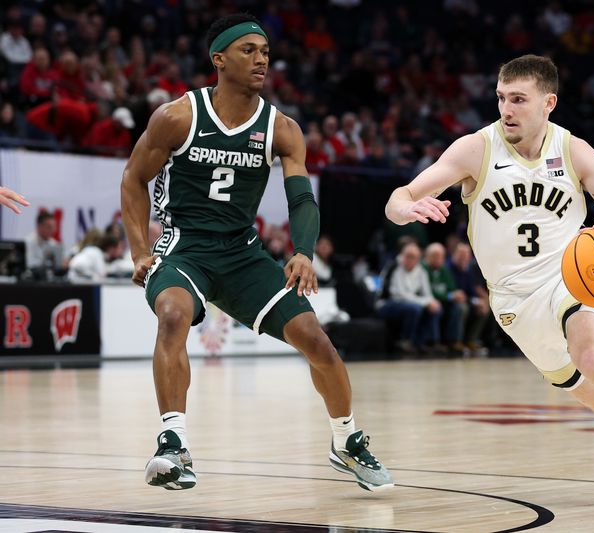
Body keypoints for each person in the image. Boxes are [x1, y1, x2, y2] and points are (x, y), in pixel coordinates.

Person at [385, 54, 594, 519]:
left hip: (572, 279)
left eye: (518, 99)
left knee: (591, 356)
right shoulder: (475, 150)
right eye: (501, 98)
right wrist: (408, 209)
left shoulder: (575, 151)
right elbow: (398, 198)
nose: (507, 108)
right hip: (513, 305)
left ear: (549, 103)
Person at [120, 14, 391, 493]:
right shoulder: (177, 117)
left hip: (243, 252)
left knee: (318, 342)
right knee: (171, 315)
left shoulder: (281, 128)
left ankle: (346, 441)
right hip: (185, 247)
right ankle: (172, 443)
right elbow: (133, 179)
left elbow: (302, 198)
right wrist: (140, 250)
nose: (261, 58)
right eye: (248, 50)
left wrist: (303, 251)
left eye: (265, 51)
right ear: (218, 59)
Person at [377, 241, 442, 354]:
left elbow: (427, 293)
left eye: (413, 257)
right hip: (387, 303)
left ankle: (423, 342)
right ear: (402, 255)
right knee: (415, 309)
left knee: (436, 309)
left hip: (410, 303)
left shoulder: (421, 271)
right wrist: (425, 302)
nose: (409, 259)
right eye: (407, 256)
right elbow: (400, 295)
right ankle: (405, 341)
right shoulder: (394, 267)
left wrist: (431, 302)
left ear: (418, 259)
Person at [424, 242, 466, 353]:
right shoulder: (423, 269)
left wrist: (456, 294)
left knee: (459, 308)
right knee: (436, 308)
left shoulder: (444, 270)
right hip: (428, 300)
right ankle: (433, 342)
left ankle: (454, 341)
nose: (438, 259)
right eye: (435, 256)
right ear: (427, 257)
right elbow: (428, 291)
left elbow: (451, 288)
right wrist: (450, 296)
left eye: (441, 256)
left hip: (444, 301)